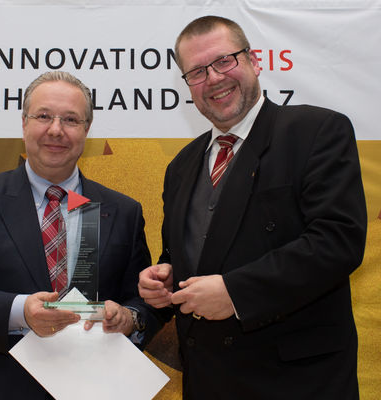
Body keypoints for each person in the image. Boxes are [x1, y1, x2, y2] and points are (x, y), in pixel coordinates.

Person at [138, 15, 367, 400]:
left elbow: (337, 241)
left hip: (297, 383)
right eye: (196, 71)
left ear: (254, 60)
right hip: (208, 383)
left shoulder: (317, 131)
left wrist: (235, 292)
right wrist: (165, 280)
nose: (212, 78)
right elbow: (189, 254)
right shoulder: (181, 165)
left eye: (224, 61)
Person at [0, 71, 162, 399]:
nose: (56, 130)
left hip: (96, 389)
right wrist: (20, 311)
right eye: (44, 116)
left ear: (86, 130)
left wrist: (130, 319)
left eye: (71, 119)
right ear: (24, 124)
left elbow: (144, 302)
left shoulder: (122, 211)